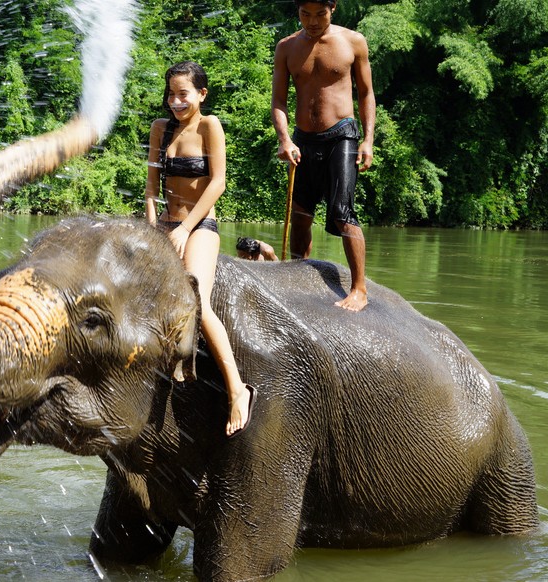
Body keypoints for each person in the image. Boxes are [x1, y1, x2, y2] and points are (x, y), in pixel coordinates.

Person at [144, 61, 254, 437]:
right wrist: (153, 229)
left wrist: (186, 228)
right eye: (170, 94)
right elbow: (151, 191)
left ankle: (237, 389)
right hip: (165, 226)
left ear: (201, 95)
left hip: (199, 226)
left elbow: (218, 183)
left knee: (197, 300)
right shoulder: (160, 129)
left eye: (183, 94)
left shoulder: (210, 126)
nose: (175, 101)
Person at [272, 0, 376, 312]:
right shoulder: (286, 47)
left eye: (320, 14)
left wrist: (368, 140)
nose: (313, 21)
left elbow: (366, 93)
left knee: (342, 211)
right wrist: (285, 138)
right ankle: (297, 278)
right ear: (298, 12)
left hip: (342, 135)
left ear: (333, 10)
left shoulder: (353, 42)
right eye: (306, 14)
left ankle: (359, 288)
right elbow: (279, 100)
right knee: (301, 214)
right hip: (304, 138)